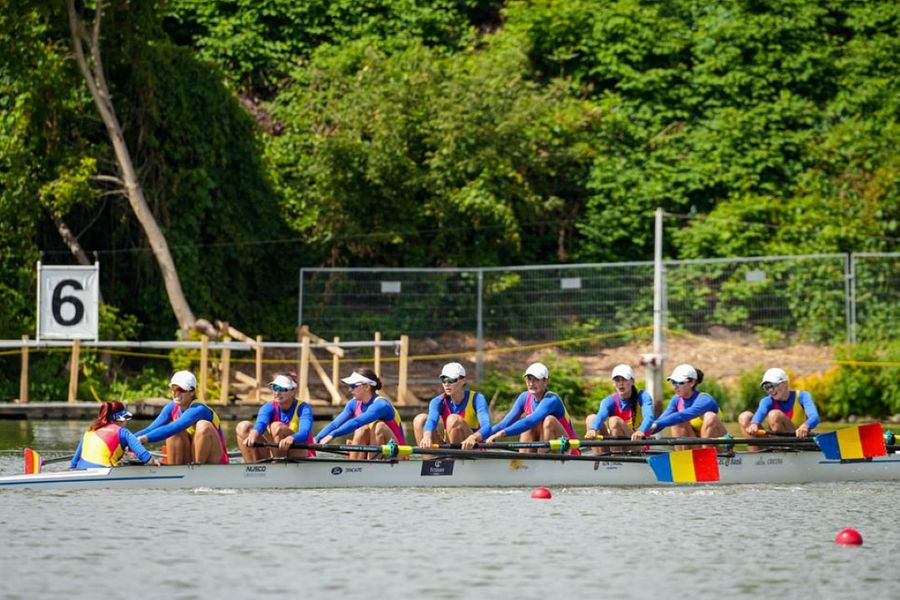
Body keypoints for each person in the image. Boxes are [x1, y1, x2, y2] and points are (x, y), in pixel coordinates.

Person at [135, 370, 229, 465]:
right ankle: (177, 472)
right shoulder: (171, 407)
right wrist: (128, 440)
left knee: (202, 425)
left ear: (192, 392)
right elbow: (150, 429)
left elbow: (174, 427)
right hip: (190, 459)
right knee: (175, 433)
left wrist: (144, 439)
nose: (176, 393)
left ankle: (198, 470)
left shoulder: (199, 409)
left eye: (181, 389)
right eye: (174, 388)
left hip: (216, 459)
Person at [484, 362, 580, 454]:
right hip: (544, 446)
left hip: (568, 450)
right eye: (529, 379)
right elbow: (504, 424)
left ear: (545, 381)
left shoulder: (552, 399)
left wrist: (501, 434)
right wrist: (480, 436)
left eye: (536, 380)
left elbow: (529, 421)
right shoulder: (524, 397)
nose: (531, 383)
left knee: (547, 420)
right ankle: (524, 461)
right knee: (528, 425)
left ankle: (543, 458)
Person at [315, 368, 406, 460]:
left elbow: (357, 421)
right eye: (349, 386)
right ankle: (354, 465)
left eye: (353, 386)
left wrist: (332, 435)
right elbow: (335, 424)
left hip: (396, 452)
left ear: (367, 387)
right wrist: (317, 438)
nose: (350, 390)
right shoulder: (353, 404)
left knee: (379, 426)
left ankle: (371, 463)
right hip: (376, 451)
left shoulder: (381, 405)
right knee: (362, 430)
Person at [235, 373, 315, 463]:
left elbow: (305, 433)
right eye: (275, 388)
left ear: (293, 391)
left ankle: (277, 467)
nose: (277, 392)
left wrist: (292, 438)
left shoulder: (304, 408)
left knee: (276, 427)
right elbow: (261, 424)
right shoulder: (268, 407)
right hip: (276, 452)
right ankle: (251, 469)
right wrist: (254, 433)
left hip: (302, 452)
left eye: (282, 389)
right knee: (243, 427)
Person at [646, 363, 728, 448]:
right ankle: (682, 457)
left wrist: (656, 424)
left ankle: (705, 455)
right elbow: (662, 420)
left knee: (710, 416)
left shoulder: (705, 400)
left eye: (679, 382)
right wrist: (644, 431)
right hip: (697, 446)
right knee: (676, 422)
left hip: (718, 446)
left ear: (692, 382)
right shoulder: (676, 400)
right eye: (673, 382)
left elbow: (683, 415)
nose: (675, 387)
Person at [413, 362, 491, 451]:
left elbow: (487, 427)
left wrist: (473, 437)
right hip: (449, 446)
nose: (447, 384)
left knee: (453, 419)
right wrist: (427, 436)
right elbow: (432, 420)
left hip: (473, 447)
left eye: (451, 380)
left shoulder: (477, 399)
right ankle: (428, 460)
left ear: (463, 381)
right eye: (444, 380)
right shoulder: (437, 401)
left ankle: (454, 459)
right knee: (420, 420)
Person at [584, 364, 655, 453]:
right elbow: (601, 416)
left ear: (633, 381)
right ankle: (598, 459)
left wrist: (641, 430)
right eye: (617, 380)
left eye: (624, 379)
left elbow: (649, 417)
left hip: (638, 443)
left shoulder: (643, 396)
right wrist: (593, 429)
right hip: (616, 443)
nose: (621, 383)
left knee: (614, 420)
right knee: (591, 419)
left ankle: (615, 459)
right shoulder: (608, 401)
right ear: (614, 383)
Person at [70, 401, 160, 469]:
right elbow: (146, 458)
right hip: (104, 473)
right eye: (125, 418)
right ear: (120, 419)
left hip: (80, 470)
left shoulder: (89, 431)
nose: (125, 422)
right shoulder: (124, 433)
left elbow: (73, 463)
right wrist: (155, 462)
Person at [738, 368, 820, 440]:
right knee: (744, 417)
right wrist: (754, 424)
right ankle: (755, 454)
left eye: (772, 385)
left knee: (775, 415)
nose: (770, 390)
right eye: (766, 387)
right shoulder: (767, 401)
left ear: (784, 383)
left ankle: (781, 451)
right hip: (774, 442)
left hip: (798, 439)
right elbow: (760, 412)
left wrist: (806, 425)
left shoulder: (802, 396)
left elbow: (815, 417)